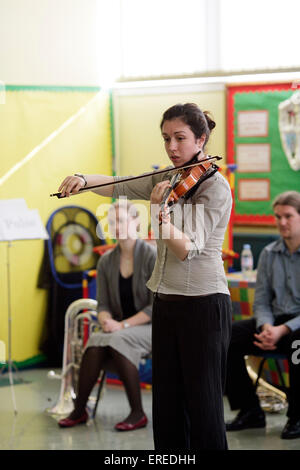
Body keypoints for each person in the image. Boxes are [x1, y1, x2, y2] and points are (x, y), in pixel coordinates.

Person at [58, 103, 233, 450]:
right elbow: (119, 185)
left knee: (204, 405)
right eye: (166, 138)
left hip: (203, 307)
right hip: (165, 304)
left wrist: (158, 213)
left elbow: (187, 249)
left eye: (180, 138)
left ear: (201, 139)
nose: (171, 147)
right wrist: (83, 179)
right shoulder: (168, 179)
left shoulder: (215, 188)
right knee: (167, 406)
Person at [58, 200, 156, 431]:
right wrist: (105, 320)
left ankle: (137, 412)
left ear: (136, 222)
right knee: (96, 342)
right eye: (112, 222)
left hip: (153, 327)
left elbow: (155, 308)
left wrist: (120, 326)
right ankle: (79, 409)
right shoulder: (106, 261)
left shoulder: (151, 256)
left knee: (114, 339)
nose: (117, 226)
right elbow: (102, 304)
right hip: (119, 330)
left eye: (121, 221)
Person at [225, 191, 300, 440]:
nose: (282, 222)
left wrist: (283, 330)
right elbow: (261, 300)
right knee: (228, 338)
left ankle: (297, 416)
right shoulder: (268, 254)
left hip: (296, 326)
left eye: (288, 216)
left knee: (298, 345)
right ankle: (249, 411)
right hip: (275, 321)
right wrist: (267, 326)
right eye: (278, 217)